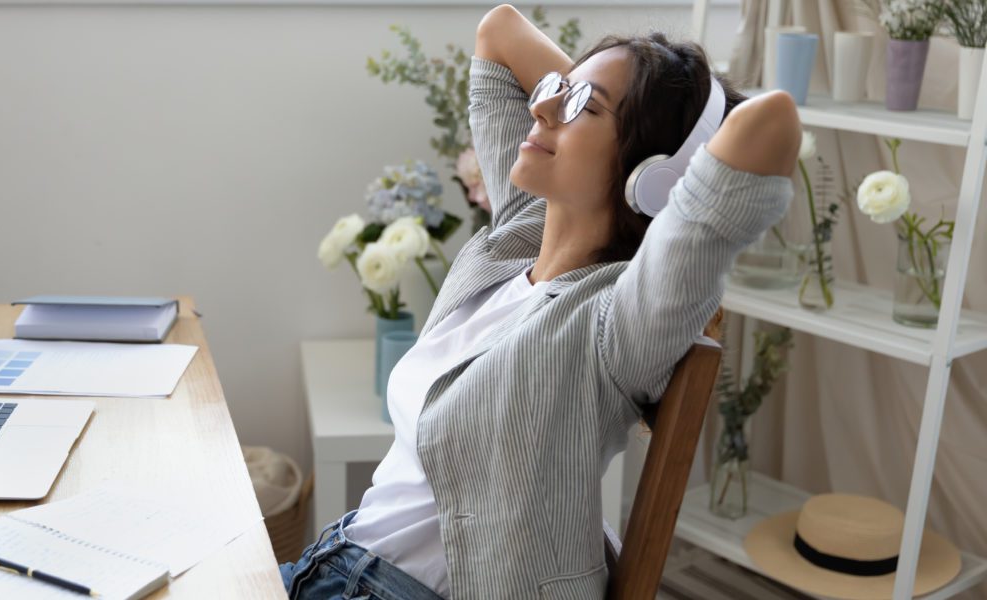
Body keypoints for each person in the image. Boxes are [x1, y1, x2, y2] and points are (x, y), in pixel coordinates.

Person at [281, 5, 800, 599]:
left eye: (584, 106)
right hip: (334, 560)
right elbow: (499, 30)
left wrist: (665, 147)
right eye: (556, 89)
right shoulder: (515, 238)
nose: (542, 106)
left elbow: (771, 121)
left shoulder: (620, 318)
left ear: (654, 174)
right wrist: (593, 92)